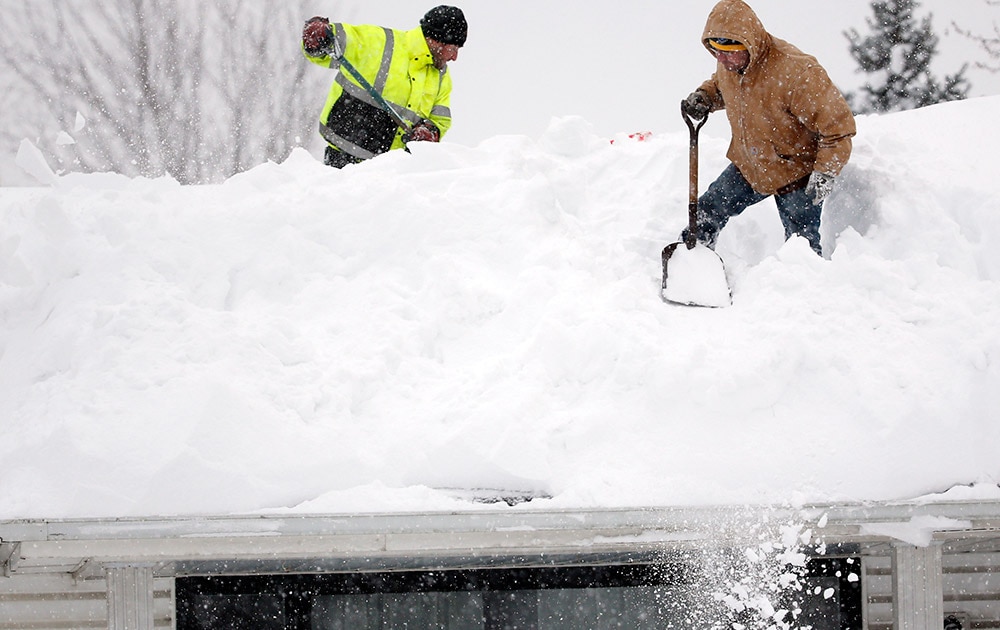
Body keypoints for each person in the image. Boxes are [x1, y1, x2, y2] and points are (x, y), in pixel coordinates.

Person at [680, 0, 856, 255]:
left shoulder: (797, 71)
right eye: (715, 51)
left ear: (748, 42)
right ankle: (691, 260)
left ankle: (807, 288)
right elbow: (721, 86)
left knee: (802, 248)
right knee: (707, 212)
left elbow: (838, 129)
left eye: (728, 52)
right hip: (751, 165)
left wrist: (825, 173)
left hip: (796, 173)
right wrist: (704, 97)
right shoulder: (730, 61)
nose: (721, 59)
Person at [301, 6, 467, 168]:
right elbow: (336, 41)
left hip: (392, 172)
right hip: (344, 163)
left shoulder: (441, 76)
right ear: (435, 40)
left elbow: (440, 119)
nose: (454, 57)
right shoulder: (380, 42)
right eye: (452, 49)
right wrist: (319, 35)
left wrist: (429, 131)